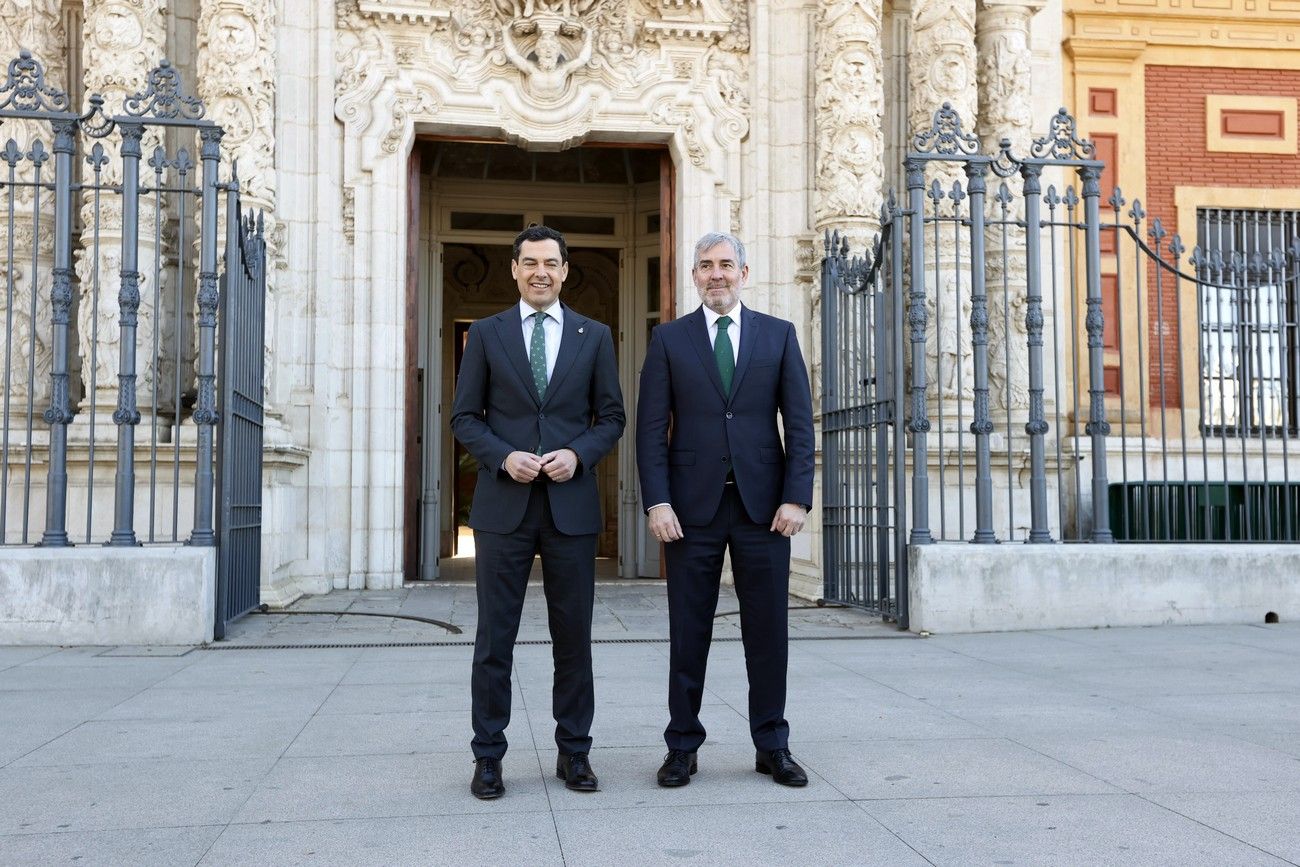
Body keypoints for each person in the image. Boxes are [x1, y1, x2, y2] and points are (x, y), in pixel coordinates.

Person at [635, 231, 815, 788]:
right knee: (688, 631)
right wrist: (658, 500)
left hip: (765, 510)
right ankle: (682, 747)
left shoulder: (779, 336)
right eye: (706, 266)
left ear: (745, 271)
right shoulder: (669, 340)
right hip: (691, 510)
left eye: (727, 265)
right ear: (693, 276)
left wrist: (796, 496)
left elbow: (801, 424)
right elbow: (649, 429)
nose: (717, 274)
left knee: (768, 632)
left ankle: (773, 745)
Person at [451, 225, 625, 799]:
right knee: (494, 640)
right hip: (504, 509)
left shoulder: (594, 335)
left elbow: (611, 418)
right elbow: (465, 418)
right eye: (530, 263)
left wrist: (579, 454)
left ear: (566, 270)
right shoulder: (486, 334)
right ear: (514, 269)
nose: (540, 272)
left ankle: (575, 753)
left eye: (551, 263)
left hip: (571, 511)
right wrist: (504, 458)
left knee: (573, 639)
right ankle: (489, 757)